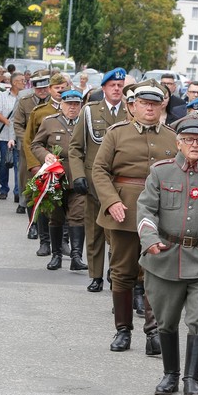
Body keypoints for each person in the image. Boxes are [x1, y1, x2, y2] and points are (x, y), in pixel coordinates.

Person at [137, 115, 198, 395]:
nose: (194, 145)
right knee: (166, 321)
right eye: (189, 140)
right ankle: (171, 375)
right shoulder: (160, 172)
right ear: (178, 142)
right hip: (164, 256)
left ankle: (192, 380)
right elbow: (146, 210)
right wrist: (150, 239)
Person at [91, 79, 177, 354]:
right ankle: (123, 330)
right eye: (144, 103)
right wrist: (111, 201)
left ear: (162, 106)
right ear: (133, 106)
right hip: (124, 211)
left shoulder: (172, 137)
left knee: (155, 272)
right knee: (122, 272)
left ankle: (154, 332)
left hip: (160, 214)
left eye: (154, 104)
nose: (149, 108)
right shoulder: (117, 134)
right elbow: (99, 170)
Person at [69, 67, 128, 293]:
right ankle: (96, 276)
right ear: (104, 88)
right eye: (113, 85)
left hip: (119, 185)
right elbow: (76, 147)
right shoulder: (90, 111)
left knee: (117, 233)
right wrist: (78, 176)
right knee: (94, 232)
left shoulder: (130, 112)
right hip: (93, 183)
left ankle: (115, 273)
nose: (117, 89)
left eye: (120, 86)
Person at [31, 89, 88, 272]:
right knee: (55, 217)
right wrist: (45, 155)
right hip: (56, 178)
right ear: (61, 104)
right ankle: (56, 255)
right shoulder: (50, 122)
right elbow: (36, 144)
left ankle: (76, 256)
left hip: (78, 177)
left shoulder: (86, 123)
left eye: (76, 104)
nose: (72, 108)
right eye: (69, 104)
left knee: (78, 216)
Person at [23, 73, 69, 256]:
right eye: (57, 88)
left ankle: (63, 241)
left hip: (66, 167)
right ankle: (45, 242)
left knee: (64, 204)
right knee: (43, 203)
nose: (60, 91)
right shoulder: (40, 112)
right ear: (50, 89)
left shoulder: (75, 110)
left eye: (63, 87)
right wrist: (35, 165)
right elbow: (29, 141)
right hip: (44, 166)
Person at [14, 70, 50, 220]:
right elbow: (17, 125)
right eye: (38, 88)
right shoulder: (25, 101)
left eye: (45, 87)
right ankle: (30, 215)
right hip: (28, 149)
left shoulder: (54, 102)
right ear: (33, 87)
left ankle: (44, 216)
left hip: (48, 148)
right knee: (27, 180)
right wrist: (29, 141)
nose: (42, 91)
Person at [0, 71, 24, 201]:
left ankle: (17, 192)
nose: (24, 83)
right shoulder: (2, 96)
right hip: (5, 136)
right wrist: (8, 122)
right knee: (5, 163)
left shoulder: (25, 97)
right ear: (14, 82)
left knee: (18, 164)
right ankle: (4, 189)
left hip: (19, 136)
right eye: (22, 80)